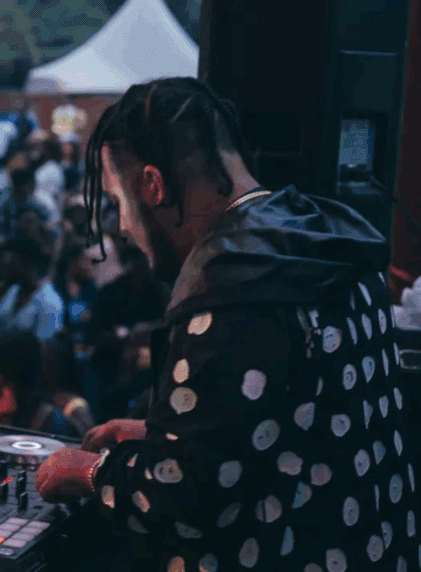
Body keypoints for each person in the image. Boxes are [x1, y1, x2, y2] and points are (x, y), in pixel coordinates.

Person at [35, 77, 413, 571]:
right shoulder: (316, 242)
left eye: (117, 200)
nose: (122, 225)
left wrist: (89, 471)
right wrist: (168, 438)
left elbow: (183, 498)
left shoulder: (234, 289)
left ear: (153, 184)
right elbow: (292, 430)